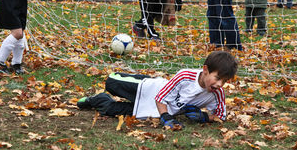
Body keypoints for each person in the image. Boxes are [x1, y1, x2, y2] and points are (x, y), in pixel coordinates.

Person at [77, 51, 238, 128]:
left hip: (152, 111)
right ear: (205, 70)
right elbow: (160, 97)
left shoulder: (217, 93)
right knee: (112, 82)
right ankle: (117, 85)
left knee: (110, 109)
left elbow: (220, 116)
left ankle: (97, 100)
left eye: (224, 81)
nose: (219, 84)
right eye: (217, 78)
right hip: (148, 89)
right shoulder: (185, 76)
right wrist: (166, 117)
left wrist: (203, 117)